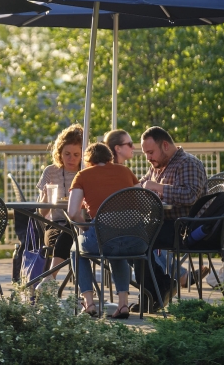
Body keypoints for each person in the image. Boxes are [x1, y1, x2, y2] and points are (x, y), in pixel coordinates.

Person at [67, 142, 139, 319]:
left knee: (76, 251)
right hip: (134, 238)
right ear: (110, 157)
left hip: (103, 237)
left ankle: (89, 304)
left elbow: (72, 212)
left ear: (88, 160)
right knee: (117, 251)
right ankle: (123, 305)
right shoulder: (126, 171)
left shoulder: (83, 175)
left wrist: (85, 228)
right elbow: (141, 202)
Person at [139, 126, 207, 310]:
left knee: (138, 239)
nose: (148, 157)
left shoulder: (187, 163)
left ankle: (158, 292)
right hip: (165, 224)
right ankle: (160, 290)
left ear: (166, 146)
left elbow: (190, 195)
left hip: (186, 228)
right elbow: (142, 184)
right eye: (146, 153)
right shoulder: (158, 166)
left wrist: (159, 188)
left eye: (150, 152)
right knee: (133, 237)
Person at [35, 124, 82, 282]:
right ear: (59, 153)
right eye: (67, 153)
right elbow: (41, 213)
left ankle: (49, 279)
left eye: (76, 154)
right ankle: (83, 291)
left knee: (74, 230)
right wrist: (47, 197)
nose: (71, 158)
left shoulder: (86, 172)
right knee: (70, 233)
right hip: (55, 224)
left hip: (82, 224)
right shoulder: (51, 171)